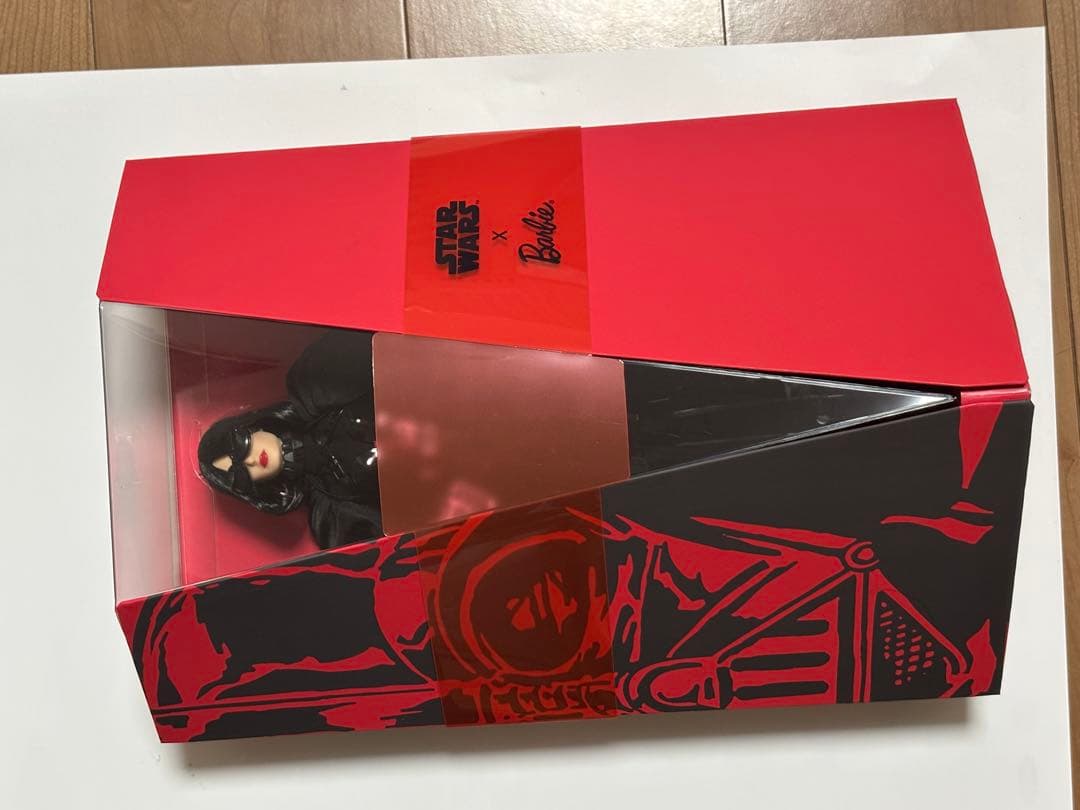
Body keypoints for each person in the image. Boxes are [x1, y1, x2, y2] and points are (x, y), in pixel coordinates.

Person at [197, 329, 381, 549]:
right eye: (240, 475)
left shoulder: (312, 381)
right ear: (252, 488)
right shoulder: (333, 520)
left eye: (239, 446)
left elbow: (384, 347)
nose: (250, 461)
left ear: (249, 427)